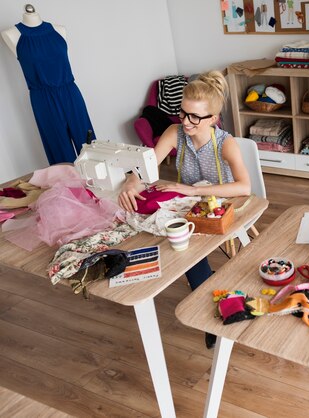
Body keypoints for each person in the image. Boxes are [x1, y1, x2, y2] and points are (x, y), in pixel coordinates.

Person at [118, 70, 251, 348]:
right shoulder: (174, 132)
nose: (186, 121)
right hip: (190, 202)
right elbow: (147, 167)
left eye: (194, 117)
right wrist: (132, 180)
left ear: (213, 119)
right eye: (183, 113)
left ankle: (207, 298)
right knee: (174, 236)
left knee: (184, 243)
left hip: (221, 203)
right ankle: (208, 295)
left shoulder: (225, 143)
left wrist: (193, 190)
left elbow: (243, 188)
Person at [2, 5, 95, 165]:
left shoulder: (59, 30)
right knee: (58, 148)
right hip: (43, 98)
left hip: (70, 92)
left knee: (88, 145)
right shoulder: (12, 35)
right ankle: (70, 188)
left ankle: (100, 183)